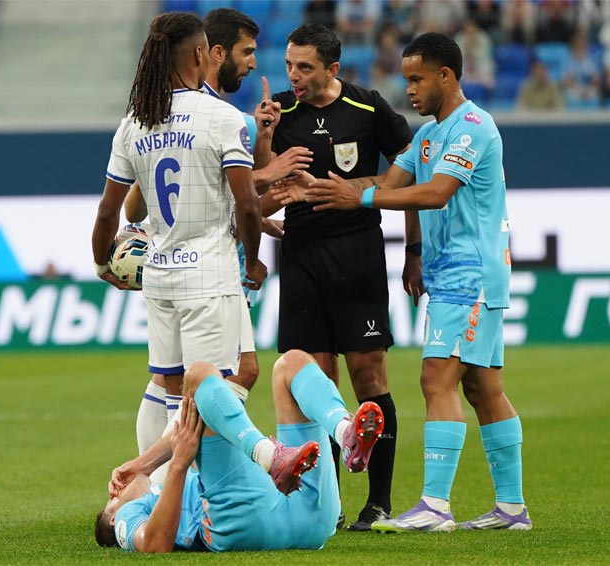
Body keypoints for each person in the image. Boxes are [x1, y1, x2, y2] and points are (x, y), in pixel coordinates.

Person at [277, 31, 531, 532]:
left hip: (470, 273)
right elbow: (384, 182)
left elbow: (435, 193)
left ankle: (435, 506)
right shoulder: (429, 136)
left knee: (436, 379)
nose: (409, 89)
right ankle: (511, 508)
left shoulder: (472, 127)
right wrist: (319, 188)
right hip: (453, 274)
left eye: (417, 79)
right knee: (483, 388)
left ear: (446, 76)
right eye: (406, 79)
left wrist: (361, 199)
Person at [120, 8, 313, 462]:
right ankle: (169, 475)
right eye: (247, 52)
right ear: (214, 53)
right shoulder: (215, 116)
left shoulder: (180, 112)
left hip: (194, 263)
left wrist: (263, 147)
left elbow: (228, 199)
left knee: (221, 373)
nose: (253, 63)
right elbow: (220, 195)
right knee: (198, 380)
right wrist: (271, 176)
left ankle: (167, 473)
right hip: (207, 268)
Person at [254, 23, 414, 531]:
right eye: (289, 66)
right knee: (315, 382)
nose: (294, 77)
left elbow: (410, 169)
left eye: (305, 67)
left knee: (369, 375)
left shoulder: (368, 107)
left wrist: (358, 195)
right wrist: (264, 139)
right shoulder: (278, 112)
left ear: (333, 68)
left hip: (357, 252)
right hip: (301, 254)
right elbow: (256, 193)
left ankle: (379, 503)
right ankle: (331, 505)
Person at [91, 12, 267, 459]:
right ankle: (189, 488)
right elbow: (247, 204)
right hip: (208, 274)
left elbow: (110, 211)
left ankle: (159, 487)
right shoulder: (222, 116)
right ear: (200, 54)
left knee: (175, 392)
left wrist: (101, 262)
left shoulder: (134, 123)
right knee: (205, 396)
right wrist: (251, 260)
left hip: (160, 276)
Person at [94, 349, 385, 552]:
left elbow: (185, 430)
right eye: (112, 499)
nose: (115, 491)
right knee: (198, 375)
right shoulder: (128, 515)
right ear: (113, 517)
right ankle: (269, 456)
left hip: (314, 522)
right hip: (244, 522)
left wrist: (143, 465)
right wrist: (179, 465)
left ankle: (343, 431)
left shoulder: (164, 490)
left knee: (292, 362)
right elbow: (153, 545)